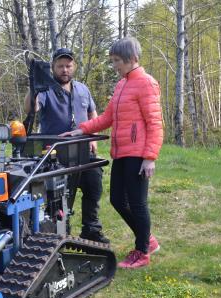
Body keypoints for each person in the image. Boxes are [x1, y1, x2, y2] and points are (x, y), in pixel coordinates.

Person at [60, 37, 163, 269]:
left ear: (132, 59)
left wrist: (150, 157)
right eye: (113, 61)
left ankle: (142, 251)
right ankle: (148, 240)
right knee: (117, 199)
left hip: (138, 154)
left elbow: (155, 123)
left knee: (137, 203)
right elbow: (108, 118)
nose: (114, 65)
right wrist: (81, 130)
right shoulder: (121, 84)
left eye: (117, 61)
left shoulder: (146, 83)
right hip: (122, 152)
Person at [25, 48, 108, 243]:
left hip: (83, 149)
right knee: (61, 194)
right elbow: (31, 108)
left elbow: (92, 113)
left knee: (93, 187)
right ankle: (61, 231)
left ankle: (91, 228)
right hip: (56, 152)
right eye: (60, 66)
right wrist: (34, 87)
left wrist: (93, 138)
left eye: (68, 66)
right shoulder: (46, 90)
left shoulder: (82, 89)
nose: (64, 70)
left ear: (74, 67)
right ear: (53, 67)